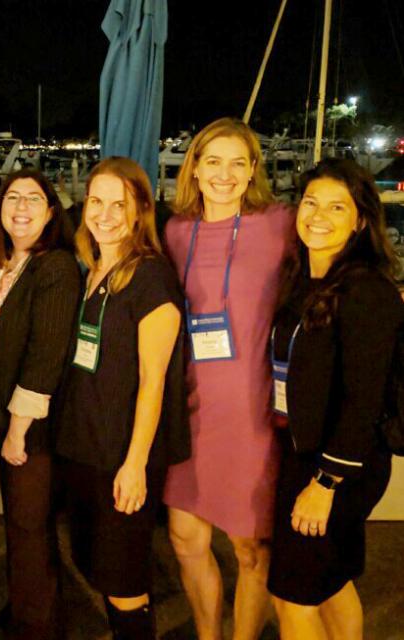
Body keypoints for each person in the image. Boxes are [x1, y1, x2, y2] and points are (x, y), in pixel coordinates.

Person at [161, 117, 296, 639]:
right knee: (184, 537)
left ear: (253, 170)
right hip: (190, 407)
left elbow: (341, 255)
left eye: (239, 162)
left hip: (252, 413)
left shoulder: (278, 223)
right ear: (193, 168)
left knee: (250, 549)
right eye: (213, 161)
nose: (225, 173)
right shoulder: (174, 231)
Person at [267, 159, 403, 639]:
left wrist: (325, 483)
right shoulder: (303, 282)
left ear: (360, 219)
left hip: (337, 465)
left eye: (336, 206)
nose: (318, 215)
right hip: (301, 451)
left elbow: (362, 401)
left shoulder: (367, 291)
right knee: (330, 583)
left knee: (291, 598)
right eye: (310, 202)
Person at [55, 157, 189, 639]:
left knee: (124, 579)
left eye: (119, 204)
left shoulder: (150, 278)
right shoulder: (93, 270)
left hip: (121, 456)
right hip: (85, 448)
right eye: (96, 201)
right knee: (97, 567)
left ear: (140, 211)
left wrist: (135, 465)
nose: (105, 214)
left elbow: (155, 382)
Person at [0, 168, 80, 639]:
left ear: (51, 212)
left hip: (29, 429)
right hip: (1, 420)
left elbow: (44, 358)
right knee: (20, 524)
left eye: (33, 199)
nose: (20, 207)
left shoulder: (52, 267)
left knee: (30, 528)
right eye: (12, 197)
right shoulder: (0, 264)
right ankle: (28, 606)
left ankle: (36, 627)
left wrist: (17, 429)